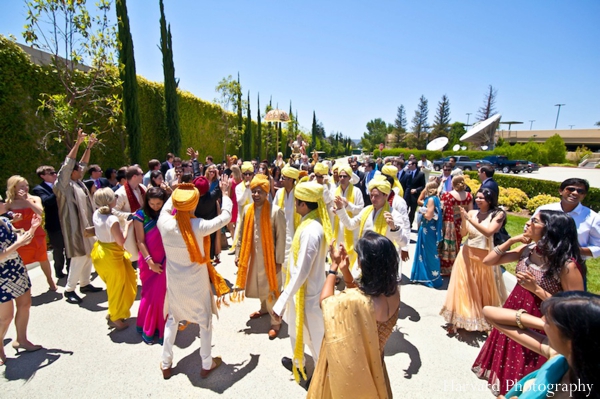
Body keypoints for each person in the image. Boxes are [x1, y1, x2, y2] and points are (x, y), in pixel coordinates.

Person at [472, 210, 586, 396]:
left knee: (526, 365)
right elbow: (488, 261)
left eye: (534, 221)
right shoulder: (529, 250)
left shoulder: (567, 265)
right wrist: (512, 241)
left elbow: (574, 311)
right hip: (513, 310)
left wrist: (536, 289)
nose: (528, 224)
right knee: (507, 355)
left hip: (540, 320)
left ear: (550, 230)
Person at [309, 232, 400, 398]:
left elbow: (326, 303)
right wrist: (346, 271)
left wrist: (333, 268)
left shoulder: (359, 301)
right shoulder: (393, 291)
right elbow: (359, 299)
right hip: (375, 364)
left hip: (355, 372)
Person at [158, 179, 232, 380]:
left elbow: (168, 207)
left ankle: (166, 363)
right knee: (204, 322)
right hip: (197, 284)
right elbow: (226, 216)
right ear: (194, 204)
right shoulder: (198, 226)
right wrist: (225, 194)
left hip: (174, 283)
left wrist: (178, 191)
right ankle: (206, 362)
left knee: (172, 319)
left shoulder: (163, 223)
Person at [486, 291, 599, 399]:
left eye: (548, 321)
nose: (543, 319)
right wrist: (547, 325)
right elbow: (489, 313)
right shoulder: (558, 356)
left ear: (571, 341)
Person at [273, 181, 331, 384]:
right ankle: (298, 363)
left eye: (296, 201)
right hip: (299, 293)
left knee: (315, 340)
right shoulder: (308, 223)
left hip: (309, 296)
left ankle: (321, 382)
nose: (294, 205)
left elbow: (301, 271)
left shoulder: (311, 231)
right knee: (294, 332)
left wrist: (281, 302)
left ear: (303, 204)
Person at [440, 188, 508, 331]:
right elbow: (464, 233)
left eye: (481, 198)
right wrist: (464, 221)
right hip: (466, 253)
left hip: (485, 257)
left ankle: (485, 319)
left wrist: (470, 219)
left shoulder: (498, 214)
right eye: (477, 197)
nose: (477, 200)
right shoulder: (471, 213)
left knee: (481, 289)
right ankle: (459, 319)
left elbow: (489, 232)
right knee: (463, 287)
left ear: (490, 199)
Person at [234, 175, 286, 339]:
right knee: (258, 283)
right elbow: (241, 234)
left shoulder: (276, 211)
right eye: (254, 191)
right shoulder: (248, 210)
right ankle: (264, 309)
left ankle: (276, 321)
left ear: (266, 193)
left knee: (272, 287)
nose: (256, 195)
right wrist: (238, 254)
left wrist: (279, 261)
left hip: (270, 259)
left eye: (260, 192)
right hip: (254, 257)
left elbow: (281, 238)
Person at [54, 129, 102, 304]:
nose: (81, 171)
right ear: (70, 172)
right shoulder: (63, 185)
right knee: (79, 256)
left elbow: (82, 164)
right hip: (74, 228)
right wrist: (77, 144)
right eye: (77, 170)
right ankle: (69, 290)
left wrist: (88, 147)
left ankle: (85, 283)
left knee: (89, 254)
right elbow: (68, 165)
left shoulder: (78, 182)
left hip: (86, 226)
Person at [0, 194, 43, 365]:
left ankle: (21, 339)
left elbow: (22, 240)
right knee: (5, 316)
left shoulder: (4, 221)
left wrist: (32, 229)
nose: (5, 203)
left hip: (16, 268)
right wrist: (18, 243)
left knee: (25, 305)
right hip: (3, 274)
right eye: (1, 201)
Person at [334, 176, 409, 272]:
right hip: (364, 259)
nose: (373, 199)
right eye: (371, 195)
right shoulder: (366, 211)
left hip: (383, 263)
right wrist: (341, 209)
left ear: (385, 195)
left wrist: (393, 228)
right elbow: (350, 225)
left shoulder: (394, 215)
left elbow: (403, 242)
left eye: (376, 196)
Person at [90, 188, 137, 331]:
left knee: (115, 286)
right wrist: (127, 226)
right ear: (111, 200)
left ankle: (114, 312)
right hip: (112, 257)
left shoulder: (96, 213)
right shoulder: (112, 219)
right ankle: (115, 318)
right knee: (118, 288)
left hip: (100, 253)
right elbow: (121, 241)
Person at [6, 176, 57, 290]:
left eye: (27, 185)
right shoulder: (8, 203)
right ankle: (25, 285)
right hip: (20, 235)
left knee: (43, 257)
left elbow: (40, 211)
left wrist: (27, 201)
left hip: (36, 232)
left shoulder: (34, 198)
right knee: (21, 261)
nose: (26, 188)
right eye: (22, 186)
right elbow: (4, 221)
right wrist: (12, 220)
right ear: (14, 188)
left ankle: (50, 279)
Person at [133, 187, 169, 344]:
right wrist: (150, 263)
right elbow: (140, 241)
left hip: (166, 259)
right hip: (149, 261)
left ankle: (163, 328)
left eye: (158, 203)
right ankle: (148, 326)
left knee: (162, 295)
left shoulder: (168, 214)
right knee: (149, 293)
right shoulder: (140, 215)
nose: (155, 206)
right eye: (152, 203)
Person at [534, 178, 600, 259]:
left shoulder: (593, 218)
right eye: (570, 189)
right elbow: (529, 232)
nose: (575, 193)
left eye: (580, 191)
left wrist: (571, 250)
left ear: (584, 195)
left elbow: (598, 247)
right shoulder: (543, 210)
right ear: (561, 191)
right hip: (539, 258)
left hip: (572, 264)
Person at [32, 165, 70, 279]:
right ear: (42, 176)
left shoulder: (63, 185)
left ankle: (71, 270)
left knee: (69, 247)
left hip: (67, 221)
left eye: (55, 172)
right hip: (54, 224)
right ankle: (59, 270)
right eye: (51, 173)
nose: (55, 174)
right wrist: (57, 190)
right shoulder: (39, 189)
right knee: (58, 249)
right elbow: (47, 202)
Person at [410, 181, 443, 288]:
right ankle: (428, 275)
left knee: (428, 252)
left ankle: (430, 277)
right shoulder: (436, 198)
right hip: (431, 229)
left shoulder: (430, 199)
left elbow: (429, 216)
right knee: (428, 252)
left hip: (427, 229)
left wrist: (421, 210)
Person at [438, 175, 473, 275]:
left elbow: (442, 209)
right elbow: (470, 212)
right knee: (458, 243)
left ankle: (446, 267)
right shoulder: (469, 196)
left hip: (449, 223)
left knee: (446, 245)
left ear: (453, 184)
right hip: (461, 223)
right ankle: (455, 266)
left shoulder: (448, 195)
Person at [113, 166, 146, 268]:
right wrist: (130, 215)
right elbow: (113, 211)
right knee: (132, 258)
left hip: (144, 226)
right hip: (130, 229)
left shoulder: (142, 188)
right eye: (142, 173)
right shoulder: (120, 193)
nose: (143, 175)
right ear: (135, 176)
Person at [332, 164, 364, 267]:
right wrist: (333, 210)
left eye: (344, 176)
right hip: (338, 226)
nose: (342, 178)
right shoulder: (335, 191)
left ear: (350, 178)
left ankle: (349, 274)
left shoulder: (356, 191)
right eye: (340, 176)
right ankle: (339, 272)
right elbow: (330, 206)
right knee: (338, 247)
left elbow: (360, 209)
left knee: (351, 250)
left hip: (352, 226)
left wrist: (347, 205)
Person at [273, 165, 300, 266]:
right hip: (281, 232)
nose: (280, 180)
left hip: (295, 232)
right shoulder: (279, 193)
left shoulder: (299, 194)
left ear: (291, 179)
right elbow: (274, 212)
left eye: (283, 178)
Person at [400, 160, 426, 228]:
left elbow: (423, 186)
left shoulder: (420, 174)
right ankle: (404, 224)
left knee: (412, 211)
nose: (408, 166)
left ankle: (409, 225)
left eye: (409, 164)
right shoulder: (406, 173)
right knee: (404, 210)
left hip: (414, 196)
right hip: (406, 195)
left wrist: (416, 190)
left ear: (414, 165)